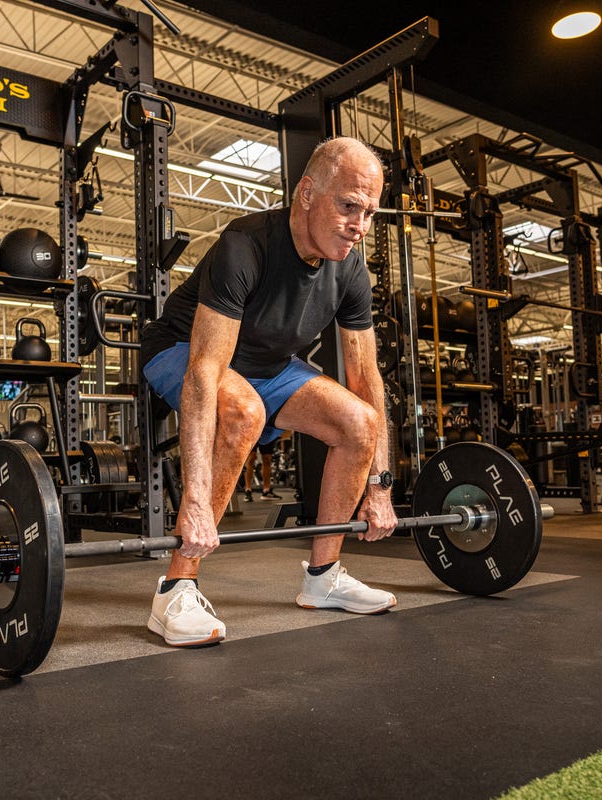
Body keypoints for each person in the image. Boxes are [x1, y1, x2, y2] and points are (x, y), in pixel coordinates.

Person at [140, 137, 398, 647]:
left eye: (369, 213)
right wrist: (193, 498)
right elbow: (204, 371)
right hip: (182, 351)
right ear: (306, 193)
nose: (359, 226)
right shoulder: (246, 245)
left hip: (271, 366)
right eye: (349, 206)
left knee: (359, 423)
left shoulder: (350, 268)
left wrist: (381, 485)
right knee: (242, 412)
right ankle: (177, 587)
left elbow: (366, 378)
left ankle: (323, 579)